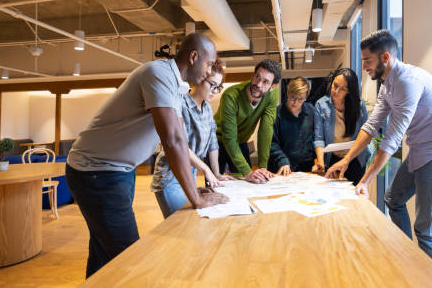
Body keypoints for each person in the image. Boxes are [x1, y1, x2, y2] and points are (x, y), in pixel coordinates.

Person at [66, 33, 229, 278]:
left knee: (103, 254)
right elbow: (172, 141)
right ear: (193, 57)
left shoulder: (178, 87)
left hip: (119, 171)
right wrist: (195, 197)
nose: (208, 72)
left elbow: (180, 141)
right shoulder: (158, 74)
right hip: (96, 172)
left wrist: (200, 182)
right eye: (207, 64)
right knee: (130, 259)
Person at [325, 30, 432, 264]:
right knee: (393, 199)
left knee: (426, 229)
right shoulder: (387, 84)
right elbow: (371, 126)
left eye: (368, 60)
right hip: (420, 152)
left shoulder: (407, 82)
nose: (365, 66)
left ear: (385, 58)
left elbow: (391, 139)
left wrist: (366, 180)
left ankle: (425, 280)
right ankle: (407, 257)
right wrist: (346, 159)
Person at [150, 61, 235, 218]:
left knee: (195, 219)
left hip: (191, 172)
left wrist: (216, 173)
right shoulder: (180, 103)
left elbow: (212, 143)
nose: (215, 91)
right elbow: (180, 145)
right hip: (170, 176)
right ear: (200, 79)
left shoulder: (207, 108)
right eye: (212, 85)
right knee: (180, 224)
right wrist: (206, 169)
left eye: (218, 87)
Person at [214, 59, 280, 183]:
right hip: (217, 142)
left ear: (273, 87)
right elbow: (229, 138)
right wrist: (248, 172)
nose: (259, 84)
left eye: (265, 82)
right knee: (214, 184)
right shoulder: (231, 96)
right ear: (253, 75)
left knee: (246, 183)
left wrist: (263, 167)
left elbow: (266, 129)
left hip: (241, 141)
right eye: (257, 77)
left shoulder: (272, 95)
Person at [313, 68, 370, 184]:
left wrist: (347, 159)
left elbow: (367, 134)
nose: (336, 91)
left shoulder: (358, 106)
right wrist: (320, 161)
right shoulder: (321, 104)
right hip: (332, 158)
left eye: (343, 89)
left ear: (349, 91)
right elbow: (319, 138)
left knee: (354, 195)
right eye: (335, 85)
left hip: (355, 159)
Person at [267, 77, 316, 176]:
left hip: (306, 166)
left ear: (306, 97)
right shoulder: (276, 114)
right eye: (292, 97)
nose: (295, 102)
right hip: (282, 166)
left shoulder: (311, 110)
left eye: (300, 99)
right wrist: (282, 160)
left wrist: (317, 158)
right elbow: (271, 143)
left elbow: (316, 136)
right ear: (288, 93)